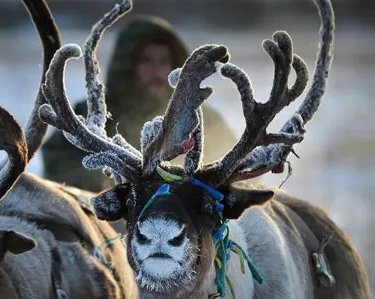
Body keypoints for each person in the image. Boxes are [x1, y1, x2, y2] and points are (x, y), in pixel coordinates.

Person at [41, 15, 236, 192]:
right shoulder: (91, 115)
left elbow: (230, 160)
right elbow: (57, 162)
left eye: (163, 61)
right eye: (147, 61)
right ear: (127, 65)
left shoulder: (199, 119)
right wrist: (109, 179)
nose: (156, 70)